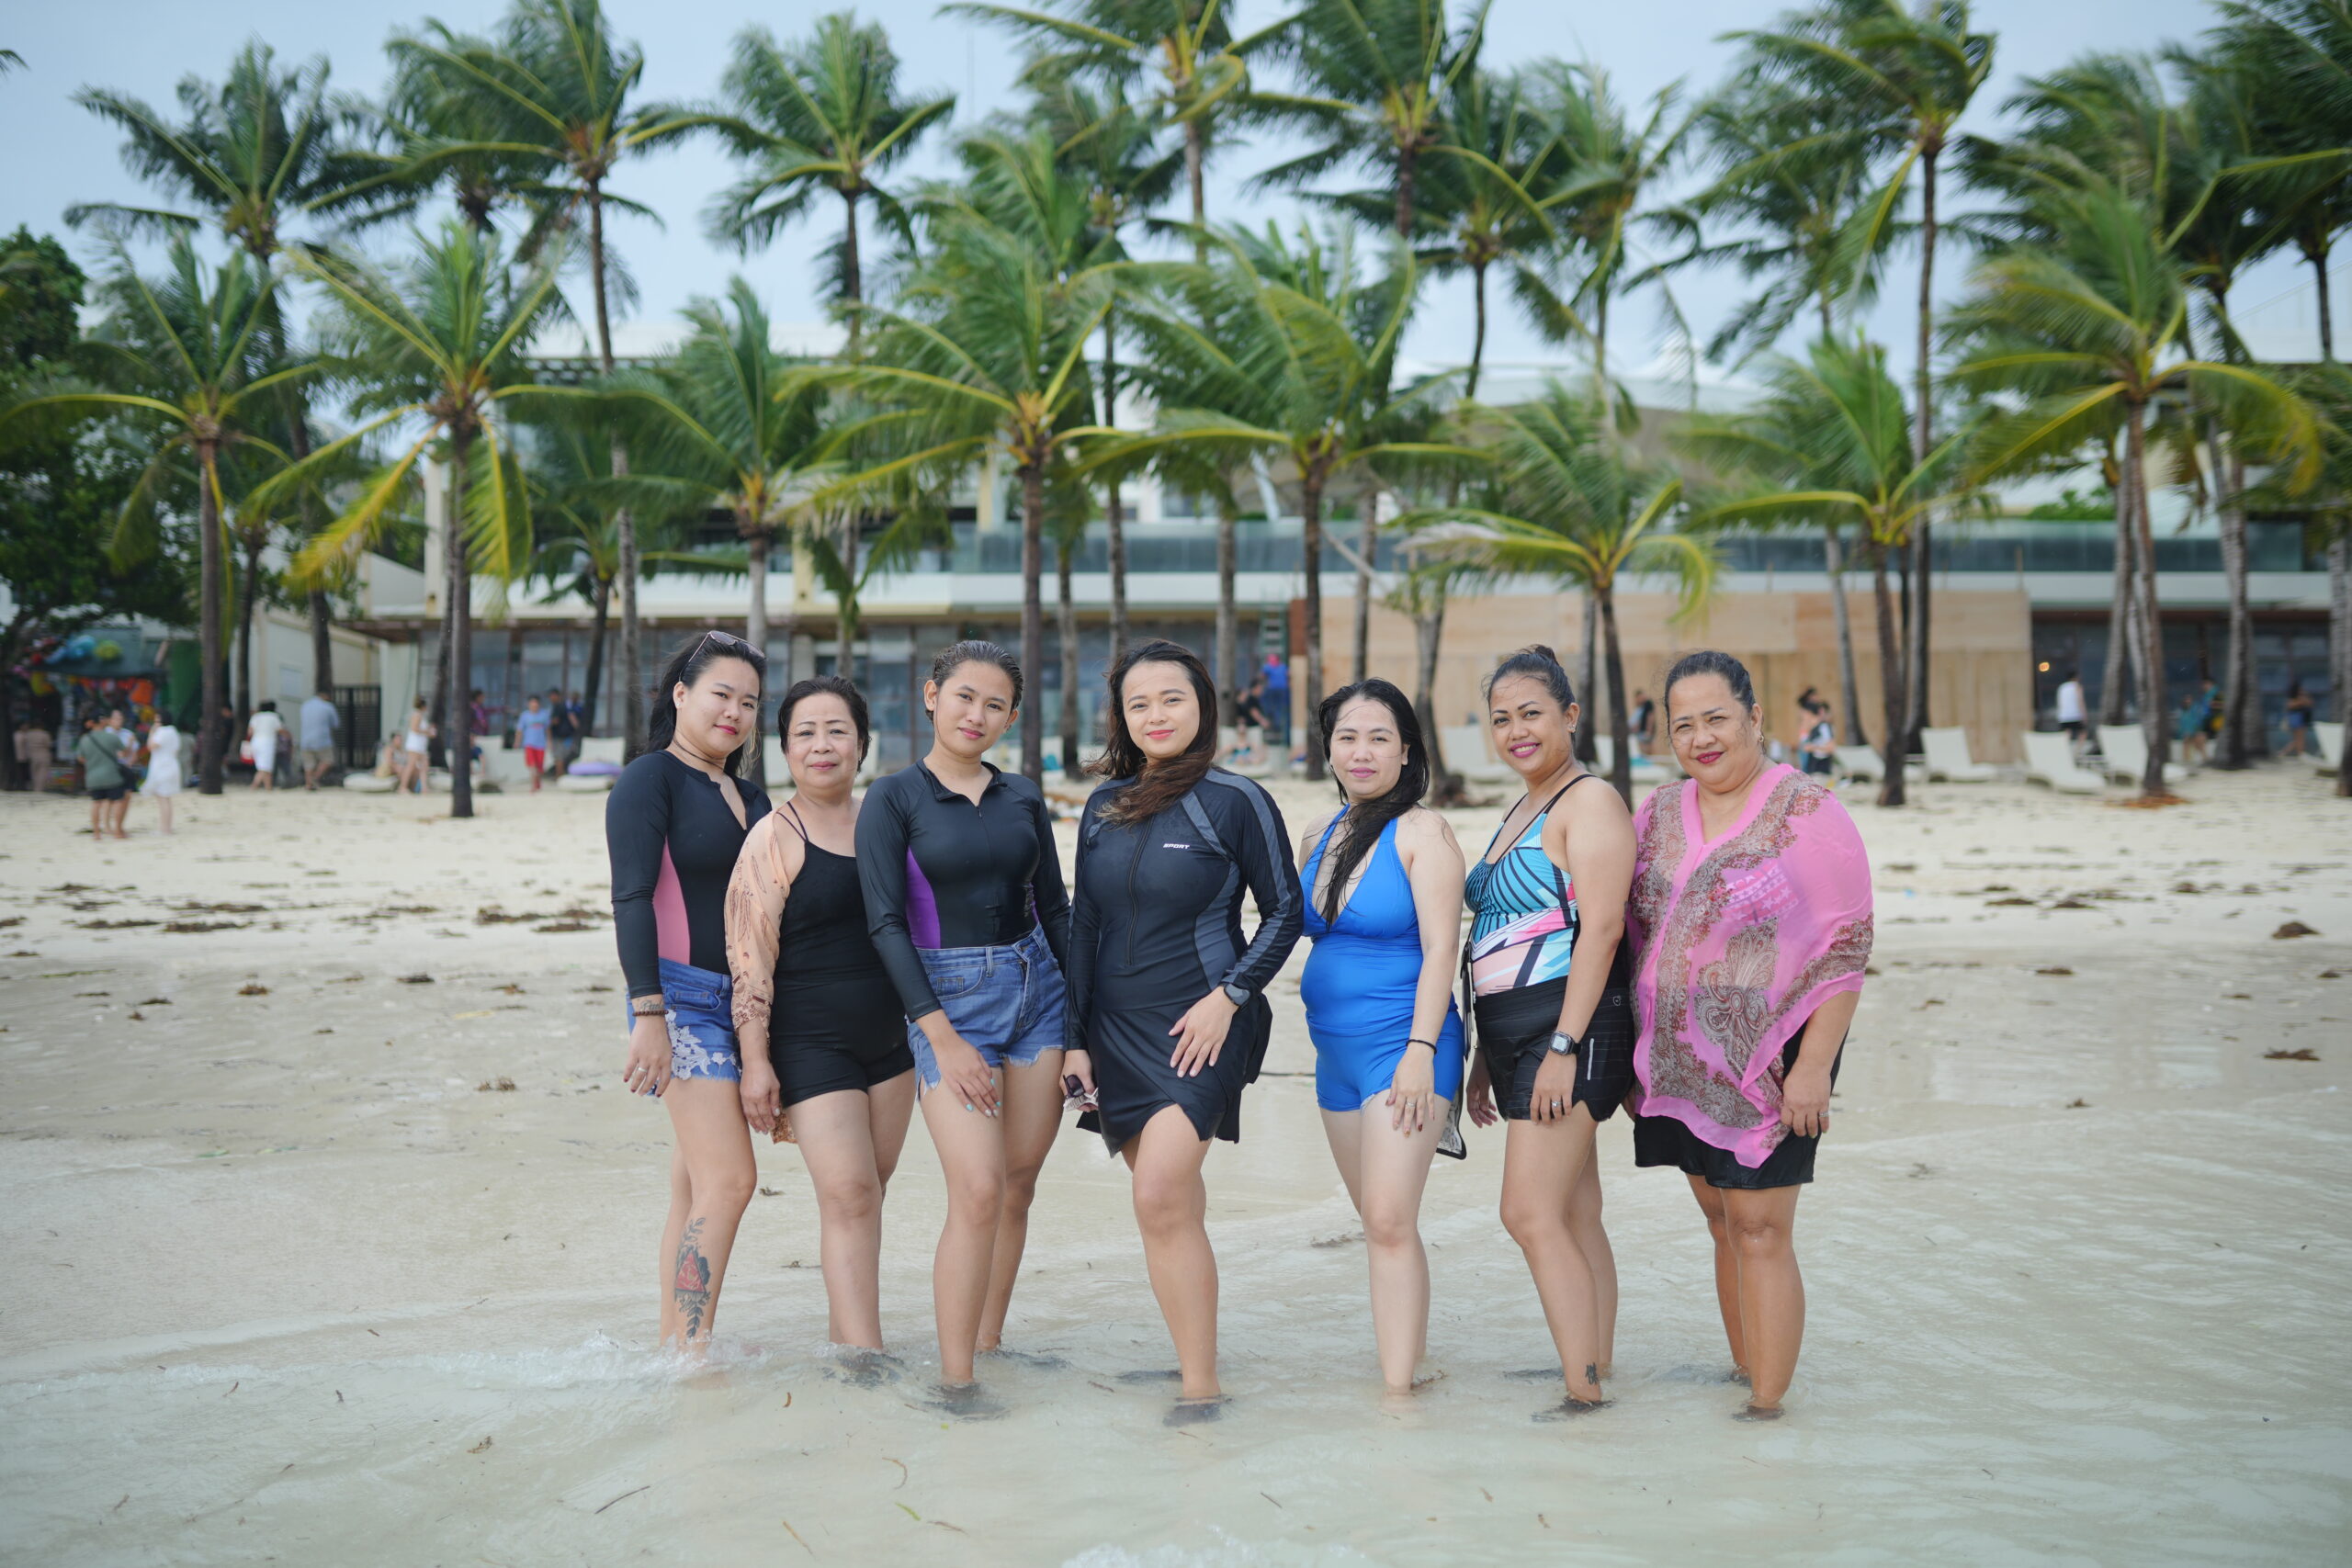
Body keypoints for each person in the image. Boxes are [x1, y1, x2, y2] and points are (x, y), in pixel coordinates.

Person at [1628, 649, 1872, 1421]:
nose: (1701, 737)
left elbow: (1845, 944)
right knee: (1720, 1219)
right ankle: (1745, 1374)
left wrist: (1815, 1068)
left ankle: (1767, 1414)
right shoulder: (1657, 811)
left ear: (1754, 717)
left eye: (1717, 718)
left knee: (1761, 1225)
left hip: (1779, 1055)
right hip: (1681, 1060)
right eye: (1683, 725)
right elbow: (1625, 923)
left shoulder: (1808, 810)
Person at [1064, 640, 1302, 1422]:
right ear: (1121, 717)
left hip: (1202, 1025)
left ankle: (1202, 1391)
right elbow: (1085, 925)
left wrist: (1228, 998)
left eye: (1172, 698)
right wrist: (1074, 1037)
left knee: (1159, 1192)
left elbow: (1285, 911)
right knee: (1170, 1206)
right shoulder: (1103, 805)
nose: (1156, 714)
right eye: (1139, 703)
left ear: (1202, 703)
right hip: (1114, 1029)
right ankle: (1192, 1351)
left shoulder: (1236, 799)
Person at [856, 640, 1071, 1410]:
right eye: (963, 697)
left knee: (1017, 1184)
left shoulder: (1023, 796)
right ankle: (957, 1381)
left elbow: (1057, 909)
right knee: (977, 1187)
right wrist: (942, 1037)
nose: (976, 714)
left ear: (1012, 716)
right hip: (948, 1002)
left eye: (994, 704)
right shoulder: (893, 798)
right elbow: (884, 924)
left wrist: (1080, 1028)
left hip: (1039, 992)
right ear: (931, 695)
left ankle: (990, 1341)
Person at [1460, 646, 1637, 1418]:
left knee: (1527, 1212)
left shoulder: (1588, 801)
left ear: (1570, 715)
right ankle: (1591, 1357)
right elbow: (1501, 931)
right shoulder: (1527, 805)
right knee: (1572, 1211)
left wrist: (1563, 1046)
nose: (1516, 731)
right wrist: (1481, 1055)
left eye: (1532, 713)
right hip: (1516, 1033)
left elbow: (1601, 930)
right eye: (1501, 718)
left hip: (1569, 1028)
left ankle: (1582, 1395)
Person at [726, 676, 915, 1367]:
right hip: (810, 1043)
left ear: (862, 744)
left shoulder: (889, 823)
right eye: (805, 733)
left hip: (893, 1042)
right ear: (784, 750)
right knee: (849, 1193)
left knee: (866, 1198)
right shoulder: (773, 837)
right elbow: (749, 961)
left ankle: (847, 1343)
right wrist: (756, 1061)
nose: (822, 745)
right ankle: (866, 1360)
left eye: (838, 730)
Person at [1295, 678, 1464, 1398]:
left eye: (1379, 738)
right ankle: (1410, 1362)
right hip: (1332, 1056)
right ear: (1329, 748)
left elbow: (1442, 949)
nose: (1361, 752)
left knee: (1391, 1219)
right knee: (1377, 1220)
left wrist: (1420, 1052)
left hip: (1405, 1046)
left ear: (1406, 751)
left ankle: (1398, 1401)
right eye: (1347, 737)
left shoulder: (1424, 833)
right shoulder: (1318, 834)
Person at [606, 630, 773, 1352]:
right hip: (677, 999)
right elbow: (631, 898)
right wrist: (648, 1012)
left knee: (696, 1184)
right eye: (721, 694)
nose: (735, 712)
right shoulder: (649, 780)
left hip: (742, 1006)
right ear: (681, 694)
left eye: (749, 702)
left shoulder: (753, 796)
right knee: (731, 1180)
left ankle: (671, 1345)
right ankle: (695, 1353)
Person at [77, 708, 133, 839]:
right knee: (117, 801)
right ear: (102, 721)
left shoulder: (85, 739)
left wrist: (92, 762)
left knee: (96, 803)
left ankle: (96, 833)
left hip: (92, 777)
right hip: (111, 776)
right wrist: (130, 743)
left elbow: (80, 758)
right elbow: (125, 753)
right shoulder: (111, 737)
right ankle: (117, 831)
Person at [141, 711, 185, 833]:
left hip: (162, 768)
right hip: (172, 765)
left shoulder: (162, 732)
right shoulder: (173, 731)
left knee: (162, 798)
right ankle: (167, 827)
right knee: (166, 798)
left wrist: (151, 732)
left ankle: (165, 828)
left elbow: (151, 746)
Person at [299, 689, 339, 790]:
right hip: (322, 739)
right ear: (325, 696)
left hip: (305, 739)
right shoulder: (328, 706)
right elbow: (335, 724)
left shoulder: (305, 706)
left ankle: (308, 784)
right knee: (328, 760)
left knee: (308, 764)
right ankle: (315, 779)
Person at [516, 694, 552, 793]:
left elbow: (548, 729)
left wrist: (549, 741)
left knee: (539, 767)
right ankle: (533, 785)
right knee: (532, 765)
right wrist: (517, 742)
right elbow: (520, 730)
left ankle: (537, 782)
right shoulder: (524, 716)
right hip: (529, 743)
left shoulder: (544, 715)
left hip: (541, 744)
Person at [1229, 676, 1268, 767]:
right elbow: (1253, 712)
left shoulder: (1246, 702)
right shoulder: (1248, 701)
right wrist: (1262, 721)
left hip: (1248, 734)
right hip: (1249, 728)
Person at [245, 702, 285, 792]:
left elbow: (250, 732)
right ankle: (254, 786)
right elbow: (280, 730)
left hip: (255, 742)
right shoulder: (274, 716)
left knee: (263, 766)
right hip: (267, 743)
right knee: (265, 767)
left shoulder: (256, 717)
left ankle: (268, 787)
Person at [400, 700, 433, 795]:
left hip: (421, 746)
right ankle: (402, 787)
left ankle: (424, 788)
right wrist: (427, 732)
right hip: (415, 745)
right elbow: (414, 728)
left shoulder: (421, 716)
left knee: (424, 766)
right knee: (410, 766)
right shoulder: (417, 715)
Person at [2179, 680, 2215, 767]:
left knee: (2199, 740)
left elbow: (2198, 722)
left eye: (2189, 699)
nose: (2188, 700)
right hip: (2189, 734)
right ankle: (2188, 760)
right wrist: (2186, 733)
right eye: (2186, 699)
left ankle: (2205, 758)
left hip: (2196, 732)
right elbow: (2182, 726)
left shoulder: (2196, 709)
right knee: (2187, 741)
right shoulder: (2183, 712)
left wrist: (2193, 731)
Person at [14, 717, 54, 795]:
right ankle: (39, 789)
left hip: (32, 755)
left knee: (34, 773)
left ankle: (34, 788)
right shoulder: (45, 734)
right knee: (42, 773)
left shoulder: (29, 734)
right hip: (43, 755)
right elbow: (49, 745)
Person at [1797, 699, 1836, 777]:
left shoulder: (1823, 727)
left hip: (1821, 771)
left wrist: (1813, 747)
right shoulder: (1810, 729)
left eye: (1804, 713)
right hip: (1811, 771)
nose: (1802, 716)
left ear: (1809, 713)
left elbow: (1831, 748)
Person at [2054, 667, 2087, 755]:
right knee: (2083, 733)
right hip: (2075, 715)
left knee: (2066, 734)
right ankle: (2077, 751)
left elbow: (2059, 702)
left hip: (2063, 716)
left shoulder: (2062, 687)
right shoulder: (2077, 686)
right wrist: (2084, 715)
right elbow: (2080, 701)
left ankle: (2064, 752)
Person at [547, 686, 578, 777]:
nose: (550, 698)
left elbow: (556, 720)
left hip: (559, 736)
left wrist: (547, 723)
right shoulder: (565, 705)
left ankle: (559, 776)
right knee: (562, 756)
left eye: (551, 696)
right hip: (566, 736)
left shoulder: (558, 706)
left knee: (558, 757)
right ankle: (561, 775)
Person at [1261, 652, 1291, 745]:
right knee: (1279, 709)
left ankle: (1275, 723)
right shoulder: (1282, 667)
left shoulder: (1269, 667)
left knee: (1275, 709)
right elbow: (1288, 675)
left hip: (1275, 690)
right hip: (1280, 690)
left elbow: (1262, 676)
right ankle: (1275, 722)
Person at [2284, 678, 2315, 758]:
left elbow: (2310, 703)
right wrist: (2301, 702)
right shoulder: (2294, 699)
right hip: (2296, 718)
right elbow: (2289, 706)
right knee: (2299, 738)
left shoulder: (2301, 697)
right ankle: (2299, 753)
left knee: (2297, 739)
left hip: (2300, 718)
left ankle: (2292, 752)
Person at [1629, 690, 1656, 760]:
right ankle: (1646, 760)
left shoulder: (1648, 704)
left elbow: (1650, 717)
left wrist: (1649, 730)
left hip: (1646, 730)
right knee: (1642, 749)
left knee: (1647, 748)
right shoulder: (1641, 706)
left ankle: (1649, 761)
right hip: (1641, 730)